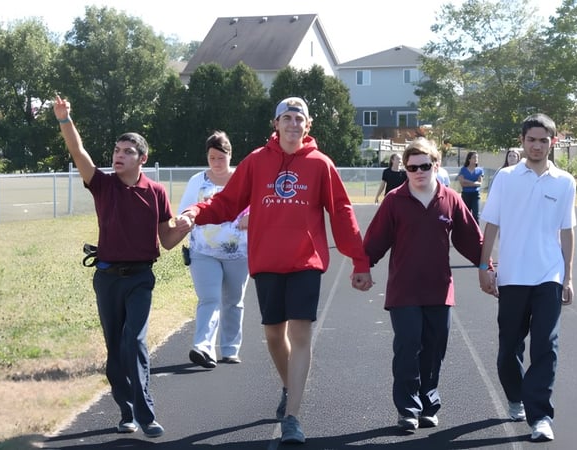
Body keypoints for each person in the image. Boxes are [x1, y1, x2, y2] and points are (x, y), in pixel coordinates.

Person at [174, 97, 374, 444]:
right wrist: (195, 212)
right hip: (266, 263)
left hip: (304, 264)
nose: (293, 124)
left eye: (300, 119)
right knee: (272, 335)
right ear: (276, 123)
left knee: (300, 334)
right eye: (287, 118)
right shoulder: (256, 161)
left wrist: (359, 260)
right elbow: (227, 202)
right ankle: (289, 385)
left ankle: (293, 418)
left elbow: (341, 212)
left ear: (307, 125)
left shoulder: (320, 164)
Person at [53, 94, 188, 438]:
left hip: (141, 278)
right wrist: (64, 119)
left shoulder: (156, 192)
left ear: (142, 159)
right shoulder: (102, 185)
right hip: (107, 278)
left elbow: (167, 241)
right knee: (115, 346)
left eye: (127, 151)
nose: (119, 155)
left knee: (135, 341)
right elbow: (78, 153)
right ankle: (125, 411)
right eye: (116, 150)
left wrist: (187, 225)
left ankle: (146, 414)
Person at [363, 137, 484, 432]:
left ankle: (429, 405)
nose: (418, 171)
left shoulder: (450, 199)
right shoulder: (394, 200)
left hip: (439, 289)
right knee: (408, 347)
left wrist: (487, 266)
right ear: (405, 168)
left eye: (425, 166)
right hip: (403, 289)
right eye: (412, 167)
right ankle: (407, 408)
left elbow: (471, 239)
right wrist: (362, 267)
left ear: (436, 166)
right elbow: (375, 239)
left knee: (434, 350)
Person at [477, 113, 576, 443]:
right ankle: (516, 396)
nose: (536, 145)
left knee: (546, 344)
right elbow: (491, 223)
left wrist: (568, 277)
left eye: (543, 140)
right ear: (522, 141)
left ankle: (541, 415)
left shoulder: (565, 182)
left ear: (553, 142)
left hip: (549, 275)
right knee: (509, 348)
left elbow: (567, 230)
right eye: (531, 139)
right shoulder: (505, 178)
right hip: (512, 276)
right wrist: (484, 267)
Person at [178, 131, 249, 369]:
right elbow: (185, 210)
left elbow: (261, 205)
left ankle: (230, 349)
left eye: (221, 157)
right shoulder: (197, 181)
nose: (217, 163)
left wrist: (253, 218)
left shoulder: (243, 178)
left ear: (230, 155)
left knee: (233, 301)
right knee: (209, 298)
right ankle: (203, 347)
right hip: (203, 251)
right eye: (212, 158)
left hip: (238, 252)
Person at [456, 151, 484, 220]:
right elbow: (462, 183)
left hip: (475, 195)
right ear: (469, 159)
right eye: (474, 157)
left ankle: (475, 230)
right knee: (465, 214)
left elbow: (479, 183)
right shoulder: (463, 170)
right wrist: (474, 183)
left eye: (477, 157)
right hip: (466, 194)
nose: (476, 159)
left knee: (475, 215)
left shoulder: (480, 170)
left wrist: (467, 182)